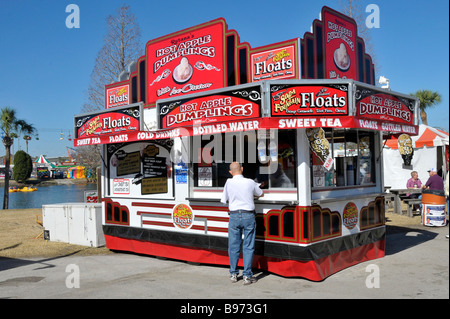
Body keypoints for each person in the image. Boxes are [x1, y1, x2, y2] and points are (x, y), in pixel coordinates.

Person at [221, 162, 263, 285]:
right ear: (242, 169)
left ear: (230, 172)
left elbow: (224, 200)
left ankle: (233, 274)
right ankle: (247, 276)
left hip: (234, 215)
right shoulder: (250, 182)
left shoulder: (228, 182)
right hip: (248, 215)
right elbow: (261, 193)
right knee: (248, 246)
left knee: (233, 246)